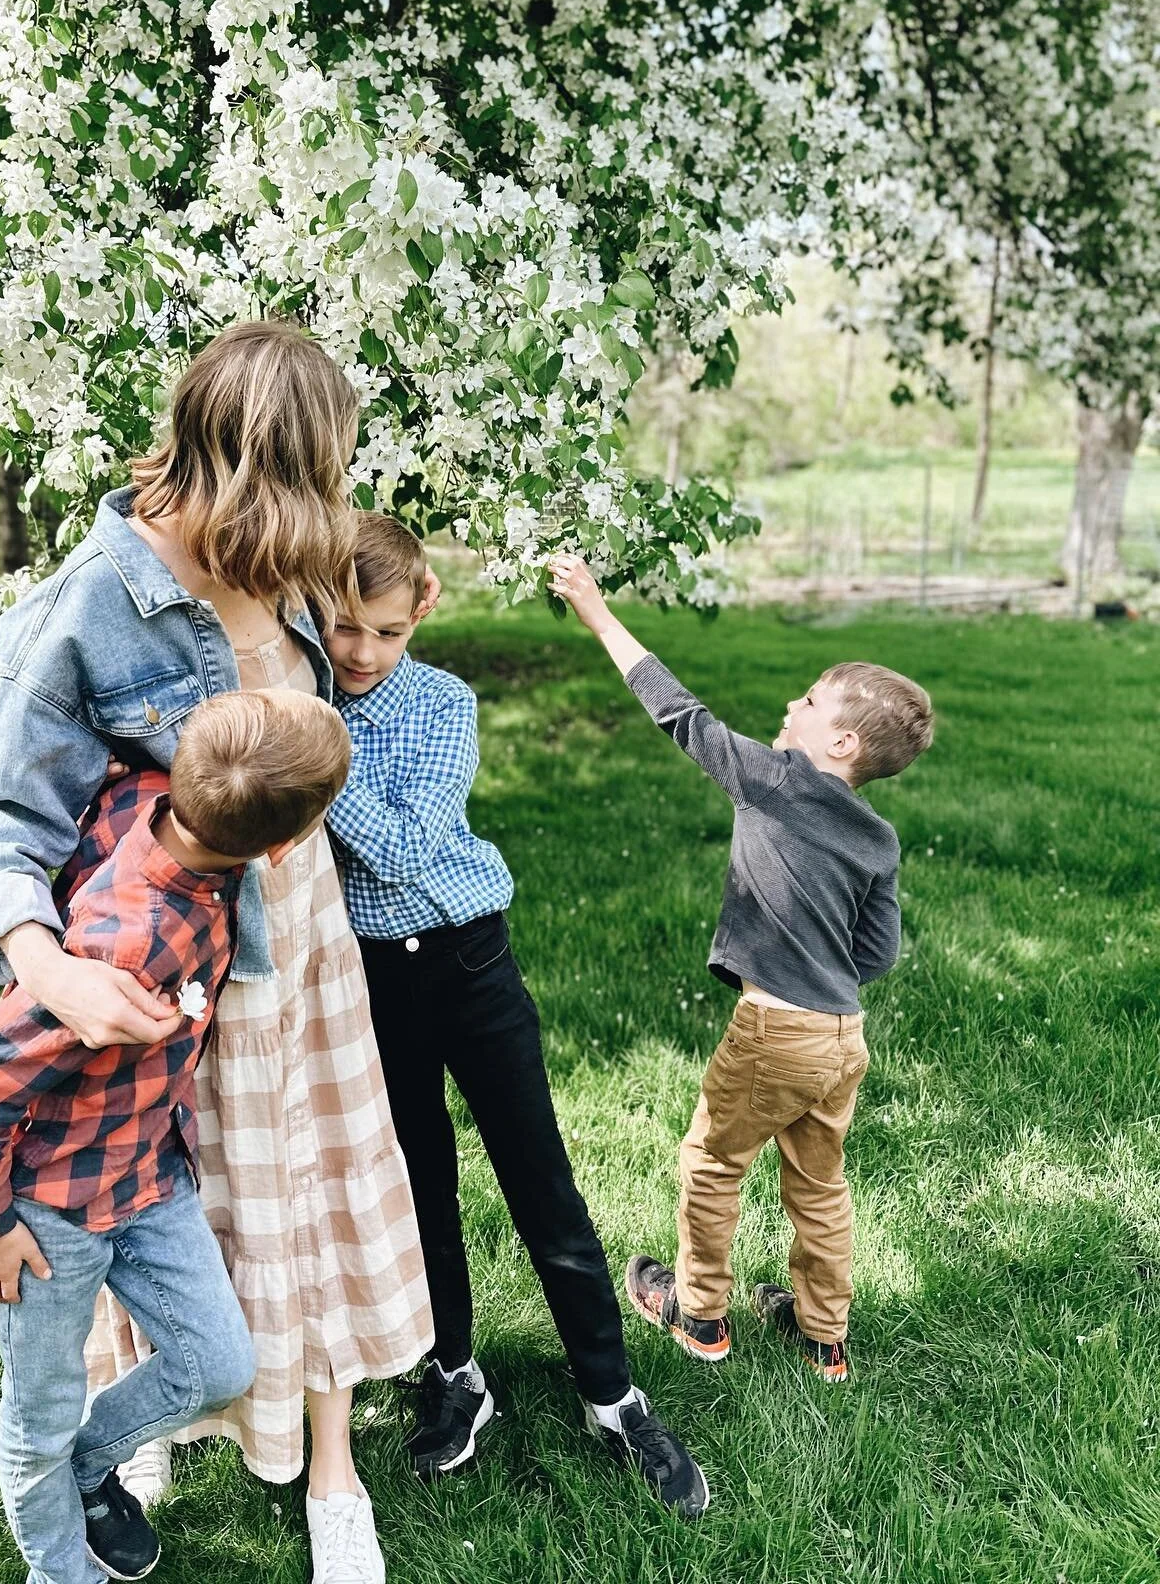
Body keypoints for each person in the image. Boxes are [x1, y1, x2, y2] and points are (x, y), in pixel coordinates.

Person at [0, 322, 434, 1584]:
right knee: (156, 1194)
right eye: (315, 479)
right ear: (252, 464)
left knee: (310, 1190)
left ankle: (333, 1463)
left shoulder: (288, 563)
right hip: (175, 967)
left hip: (302, 940)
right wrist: (46, 970)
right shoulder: (96, 602)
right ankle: (129, 1432)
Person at [321, 513, 710, 1518]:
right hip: (372, 981)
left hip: (470, 963)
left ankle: (612, 1393)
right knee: (418, 1189)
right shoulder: (304, 695)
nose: (361, 651)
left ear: (423, 612)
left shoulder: (443, 703)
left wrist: (316, 763)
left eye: (384, 631)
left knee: (543, 1185)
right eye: (342, 627)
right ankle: (455, 1374)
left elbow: (405, 853)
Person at [0, 689, 351, 1584]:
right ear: (282, 849)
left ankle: (92, 1466)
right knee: (37, 1418)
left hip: (149, 1177)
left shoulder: (162, 797)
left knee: (218, 1364)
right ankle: (63, 1568)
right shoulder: (124, 946)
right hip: (49, 1221)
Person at [547, 552, 934, 1385]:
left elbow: (681, 716)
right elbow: (876, 954)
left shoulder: (776, 780)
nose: (791, 703)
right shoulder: (878, 837)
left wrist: (597, 613)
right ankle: (824, 1336)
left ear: (840, 740)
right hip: (843, 1036)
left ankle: (701, 1312)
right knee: (819, 1185)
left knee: (714, 1162)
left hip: (775, 1029)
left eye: (809, 699)